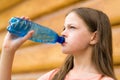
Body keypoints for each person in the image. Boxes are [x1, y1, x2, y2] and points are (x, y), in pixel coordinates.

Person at [0, 7, 117, 80]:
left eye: (72, 27)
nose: (63, 33)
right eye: (63, 28)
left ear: (94, 37)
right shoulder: (53, 77)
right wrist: (8, 50)